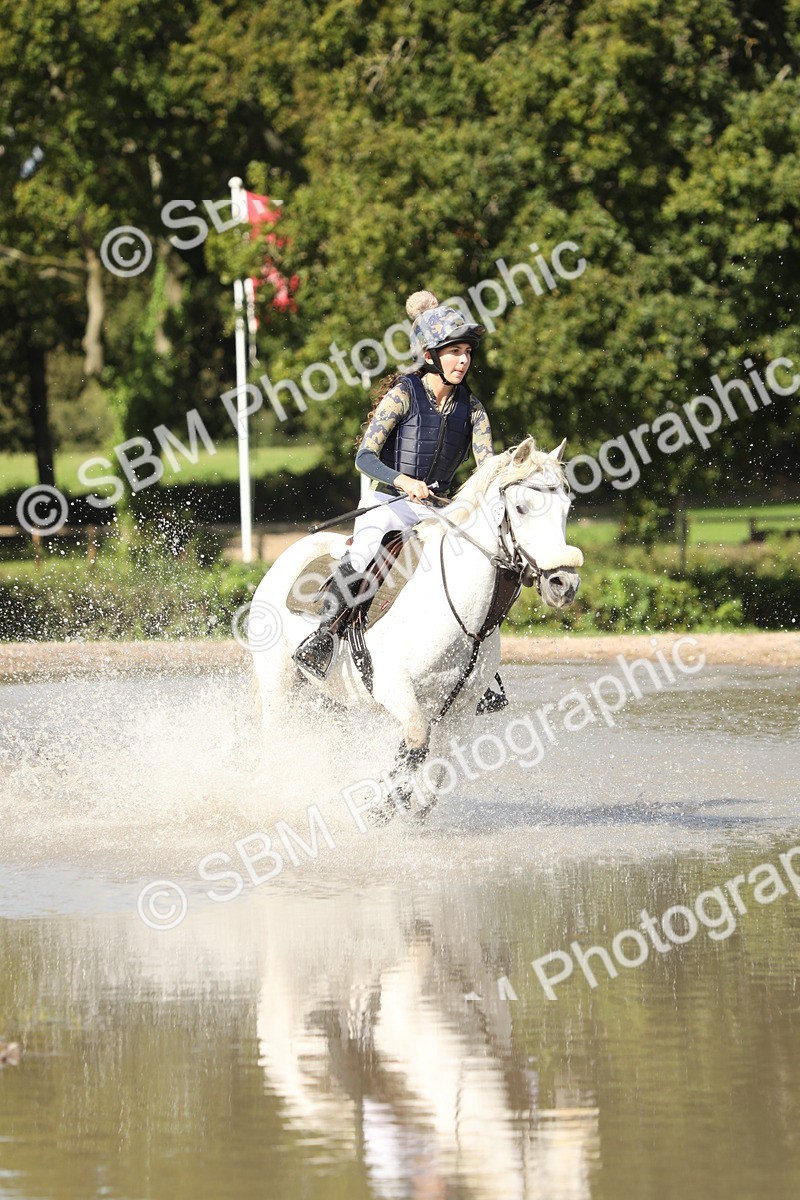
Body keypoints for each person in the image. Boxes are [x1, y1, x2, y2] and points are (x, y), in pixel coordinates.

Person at [293, 290, 499, 697]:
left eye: (467, 352)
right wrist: (403, 481)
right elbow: (364, 457)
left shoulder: (473, 410)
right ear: (431, 356)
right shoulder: (403, 394)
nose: (463, 360)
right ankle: (324, 636)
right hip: (388, 501)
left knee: (473, 562)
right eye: (454, 352)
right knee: (363, 552)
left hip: (437, 509)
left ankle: (481, 668)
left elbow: (487, 468)